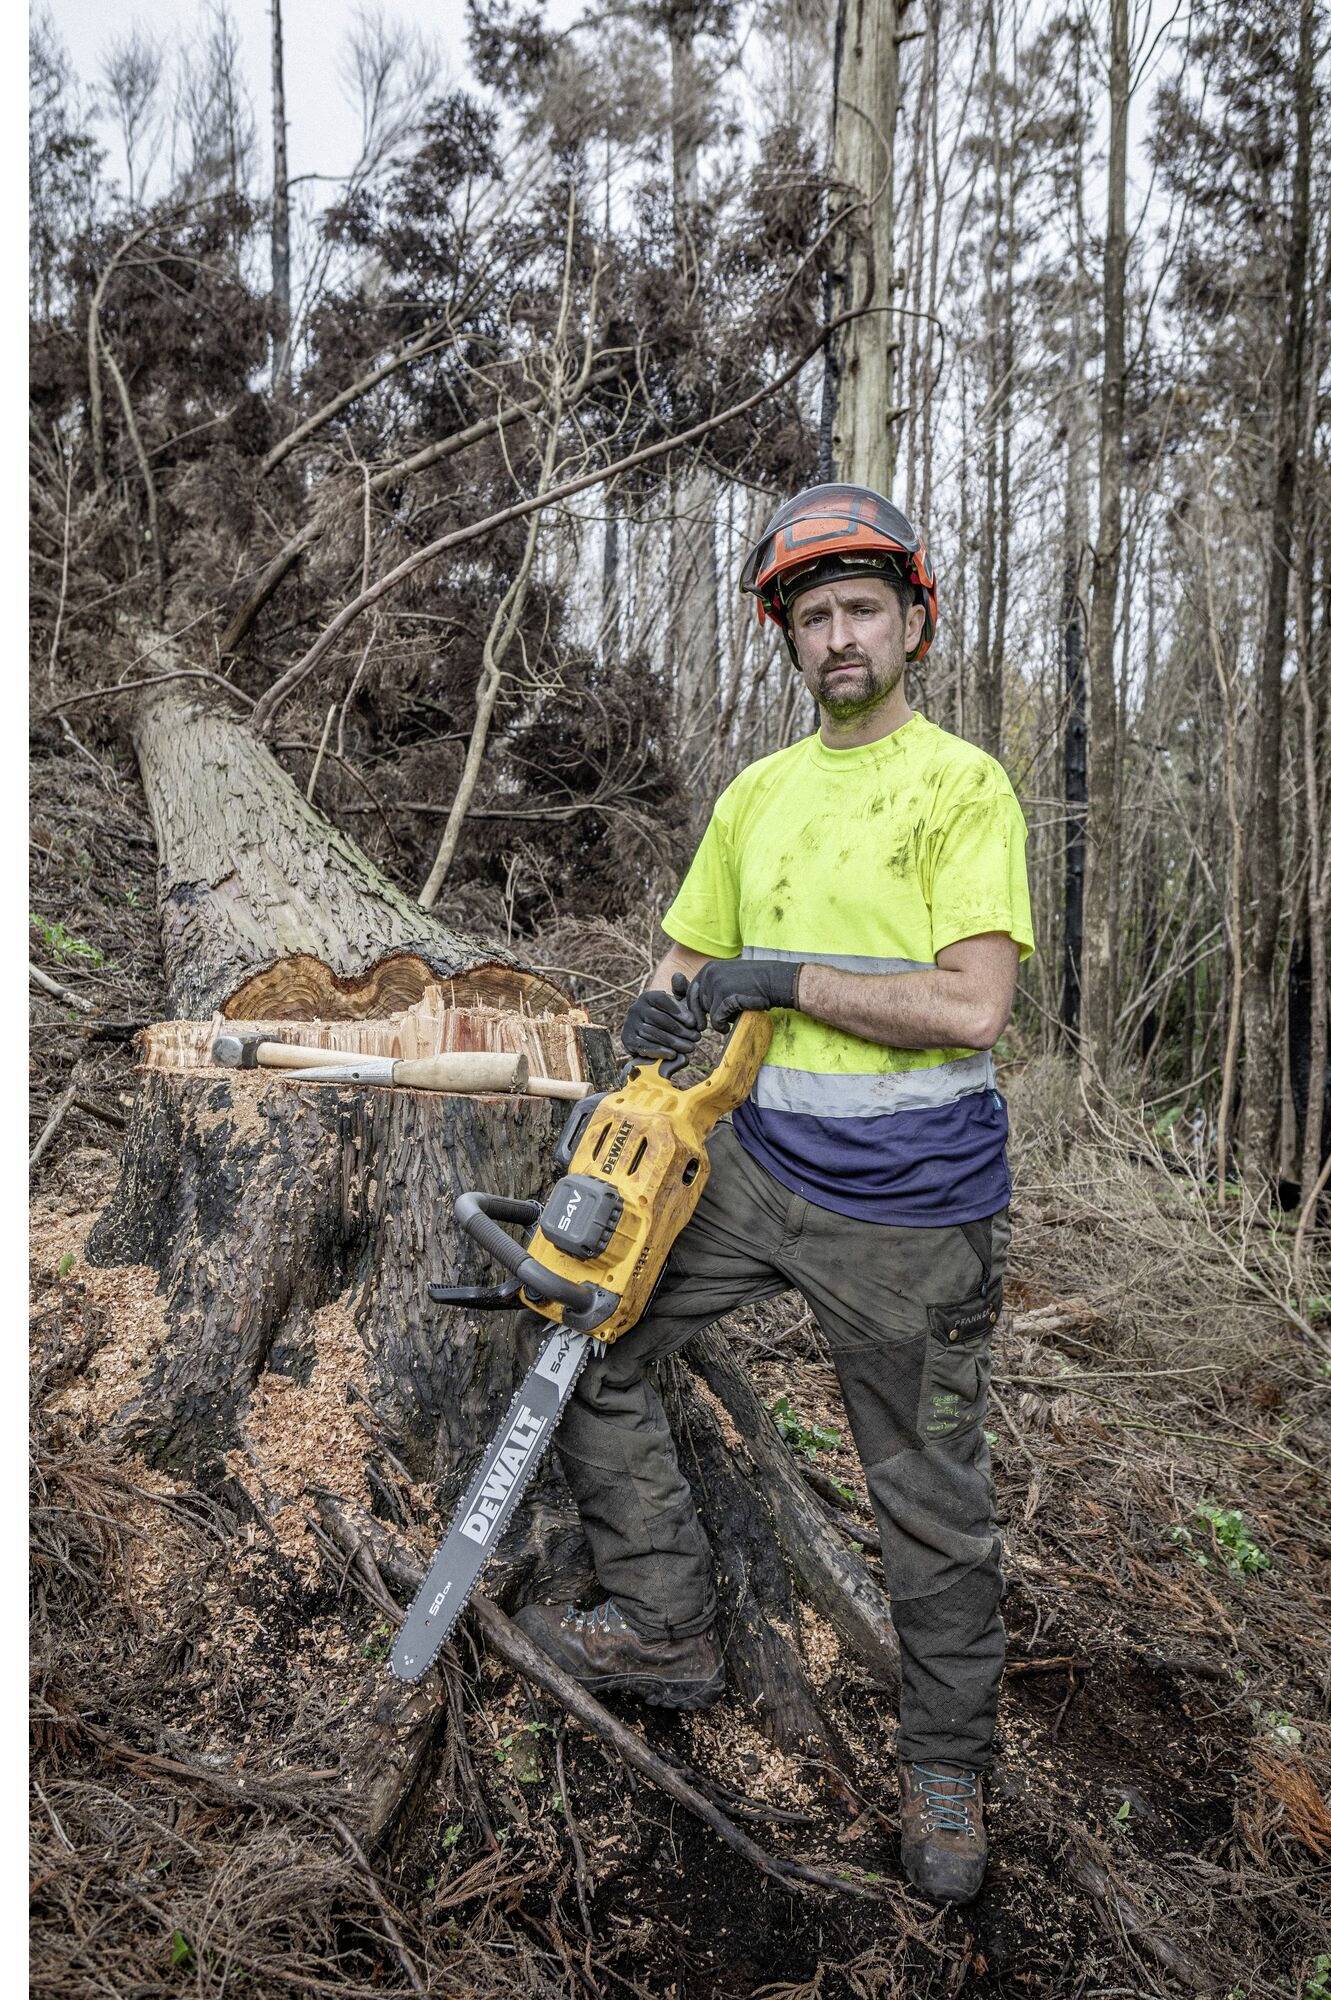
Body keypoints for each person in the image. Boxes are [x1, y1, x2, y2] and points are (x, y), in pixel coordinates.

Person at [515, 482, 1035, 1904]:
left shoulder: (959, 785)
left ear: (914, 623)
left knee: (926, 1500)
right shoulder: (758, 796)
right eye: (814, 618)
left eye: (864, 608)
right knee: (585, 1325)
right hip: (750, 1177)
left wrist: (785, 980)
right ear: (787, 641)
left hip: (918, 1216)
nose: (840, 637)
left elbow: (973, 1006)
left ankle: (944, 1770)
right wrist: (652, 1014)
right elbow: (688, 964)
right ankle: (668, 1620)